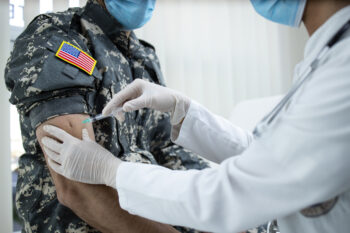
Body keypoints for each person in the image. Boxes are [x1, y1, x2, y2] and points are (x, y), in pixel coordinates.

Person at [41, 0, 350, 232]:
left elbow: (233, 193)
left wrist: (112, 172)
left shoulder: (341, 71)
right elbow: (276, 161)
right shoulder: (56, 36)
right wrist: (185, 111)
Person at [4, 0, 220, 232]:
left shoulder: (143, 55)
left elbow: (167, 150)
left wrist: (222, 205)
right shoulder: (59, 37)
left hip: (152, 216)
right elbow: (75, 188)